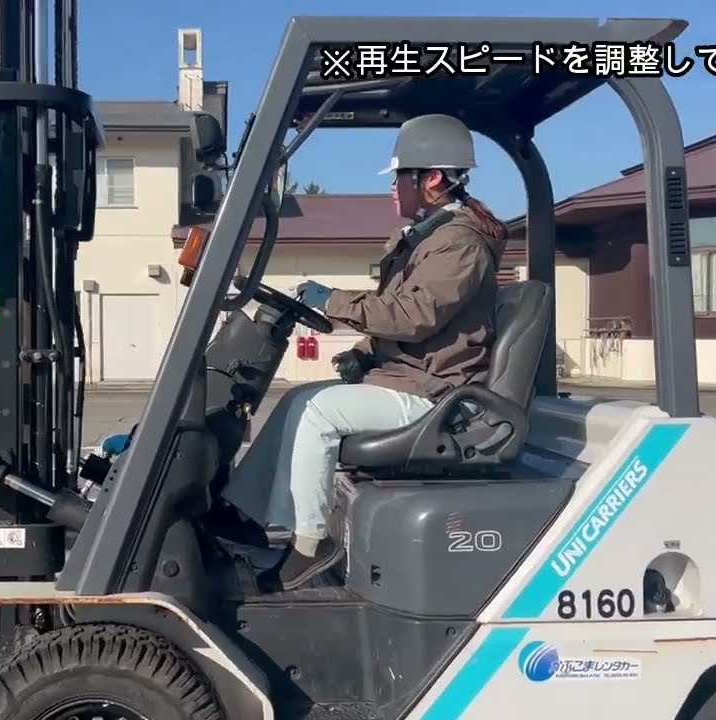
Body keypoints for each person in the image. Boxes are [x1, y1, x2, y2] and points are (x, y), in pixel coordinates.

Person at [214, 114, 509, 592]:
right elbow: (409, 319)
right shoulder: (430, 237)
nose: (394, 188)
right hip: (408, 376)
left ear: (431, 177)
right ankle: (239, 514)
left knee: (317, 413)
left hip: (435, 393)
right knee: (297, 399)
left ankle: (311, 545)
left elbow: (415, 315)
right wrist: (365, 352)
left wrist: (331, 300)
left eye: (399, 177)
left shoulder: (458, 243)